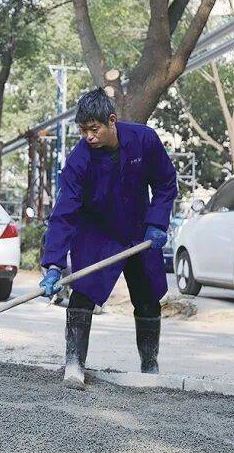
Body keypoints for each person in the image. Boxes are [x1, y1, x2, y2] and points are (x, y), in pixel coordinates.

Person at [39, 88, 177, 389]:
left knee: (148, 298)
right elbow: (64, 213)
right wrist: (53, 264)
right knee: (83, 293)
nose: (89, 136)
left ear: (111, 121)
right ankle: (74, 364)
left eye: (94, 129)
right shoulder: (79, 160)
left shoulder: (143, 140)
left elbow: (166, 182)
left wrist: (156, 222)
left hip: (139, 231)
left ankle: (149, 365)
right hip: (97, 233)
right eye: (83, 130)